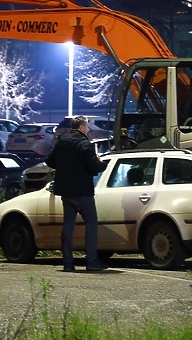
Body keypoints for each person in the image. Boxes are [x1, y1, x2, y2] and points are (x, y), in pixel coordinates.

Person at [45, 115, 109, 272]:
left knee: (68, 226)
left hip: (66, 192)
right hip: (83, 191)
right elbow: (95, 167)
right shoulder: (84, 144)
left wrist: (63, 165)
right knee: (91, 223)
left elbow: (49, 161)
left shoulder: (62, 141)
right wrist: (102, 163)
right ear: (81, 127)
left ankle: (68, 263)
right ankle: (92, 261)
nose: (88, 129)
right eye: (87, 126)